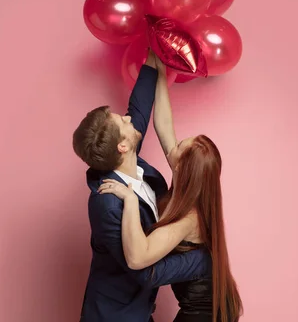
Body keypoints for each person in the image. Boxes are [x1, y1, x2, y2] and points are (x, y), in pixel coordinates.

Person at [98, 57, 243, 322]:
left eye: (178, 148)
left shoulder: (190, 219)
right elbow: (163, 124)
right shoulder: (188, 182)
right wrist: (161, 67)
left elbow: (138, 258)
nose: (172, 147)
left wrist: (130, 199)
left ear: (183, 170)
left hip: (206, 316)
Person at [72, 51, 211, 322]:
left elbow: (138, 109)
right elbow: (145, 272)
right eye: (123, 122)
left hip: (138, 313)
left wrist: (153, 58)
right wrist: (205, 261)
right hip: (113, 317)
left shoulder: (135, 167)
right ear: (122, 146)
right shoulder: (107, 203)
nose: (128, 118)